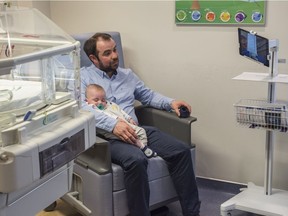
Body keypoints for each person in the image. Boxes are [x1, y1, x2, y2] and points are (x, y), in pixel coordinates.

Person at [80, 32, 201, 216]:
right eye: (107, 53)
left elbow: (148, 95)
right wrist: (113, 125)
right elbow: (80, 108)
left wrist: (171, 103)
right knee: (137, 160)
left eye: (115, 50)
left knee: (181, 151)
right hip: (105, 138)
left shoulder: (127, 76)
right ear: (93, 58)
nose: (114, 56)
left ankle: (193, 213)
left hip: (137, 131)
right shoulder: (82, 78)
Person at [85, 83, 157, 158]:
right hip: (109, 130)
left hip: (125, 124)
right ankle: (144, 149)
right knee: (141, 131)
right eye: (96, 100)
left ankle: (141, 147)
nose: (100, 102)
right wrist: (116, 119)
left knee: (141, 132)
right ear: (86, 100)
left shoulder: (110, 104)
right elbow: (103, 114)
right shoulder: (92, 108)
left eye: (103, 100)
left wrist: (129, 118)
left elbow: (121, 111)